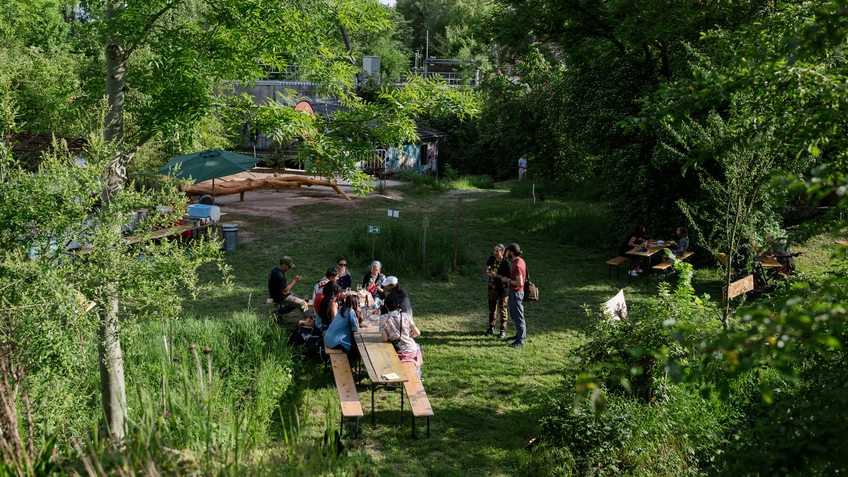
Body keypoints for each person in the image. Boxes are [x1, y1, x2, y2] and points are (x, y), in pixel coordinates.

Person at [380, 293, 423, 378]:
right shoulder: (406, 316)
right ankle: (418, 377)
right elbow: (418, 333)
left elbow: (385, 339)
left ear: (386, 306)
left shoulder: (383, 318)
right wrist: (409, 335)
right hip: (411, 351)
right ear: (398, 305)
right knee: (418, 347)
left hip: (397, 352)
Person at [499, 243, 526, 348]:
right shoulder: (520, 261)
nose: (506, 253)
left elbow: (520, 282)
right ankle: (518, 335)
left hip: (516, 293)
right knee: (515, 316)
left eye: (507, 251)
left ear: (510, 252)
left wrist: (508, 280)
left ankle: (520, 340)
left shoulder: (518, 264)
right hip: (515, 292)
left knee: (519, 317)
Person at [324, 294, 362, 364]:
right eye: (358, 303)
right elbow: (355, 328)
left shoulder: (341, 309)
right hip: (335, 342)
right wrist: (358, 313)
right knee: (358, 348)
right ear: (355, 304)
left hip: (327, 338)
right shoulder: (351, 311)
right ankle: (350, 362)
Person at [485, 244, 510, 338]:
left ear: (502, 252)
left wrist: (497, 276)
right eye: (494, 250)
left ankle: (502, 330)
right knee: (492, 308)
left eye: (497, 251)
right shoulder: (492, 259)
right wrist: (488, 272)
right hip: (492, 287)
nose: (495, 253)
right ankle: (491, 327)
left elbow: (508, 277)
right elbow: (488, 267)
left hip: (502, 289)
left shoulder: (506, 263)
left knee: (502, 309)